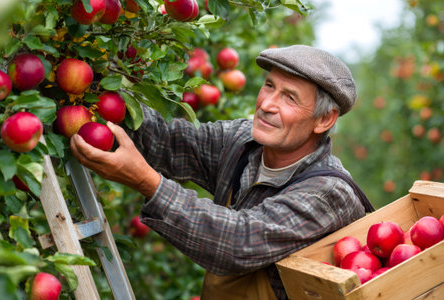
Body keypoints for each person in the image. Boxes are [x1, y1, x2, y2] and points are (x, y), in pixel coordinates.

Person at [70, 45, 373, 300]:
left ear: (324, 120)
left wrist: (147, 182)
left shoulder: (329, 193)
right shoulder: (244, 143)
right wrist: (92, 78)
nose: (266, 104)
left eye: (289, 97)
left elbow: (238, 241)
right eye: (269, 85)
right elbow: (167, 141)